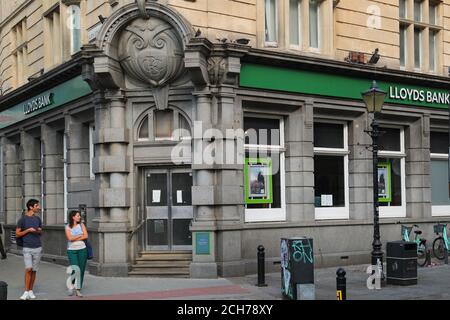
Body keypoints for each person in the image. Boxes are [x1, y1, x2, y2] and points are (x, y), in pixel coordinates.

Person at [15, 199, 43, 300]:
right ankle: (26, 291)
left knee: (34, 270)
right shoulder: (22, 220)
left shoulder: (38, 219)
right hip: (27, 247)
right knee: (28, 269)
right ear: (31, 207)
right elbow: (17, 233)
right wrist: (27, 230)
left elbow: (40, 232)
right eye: (37, 206)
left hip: (38, 247)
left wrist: (39, 231)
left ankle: (31, 290)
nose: (38, 207)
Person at [65, 210, 88, 297]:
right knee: (75, 268)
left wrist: (75, 237)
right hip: (72, 250)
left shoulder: (81, 225)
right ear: (73, 217)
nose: (79, 217)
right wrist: (79, 236)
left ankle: (78, 289)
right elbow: (70, 238)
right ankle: (71, 285)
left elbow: (86, 236)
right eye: (78, 216)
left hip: (82, 249)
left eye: (79, 216)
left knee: (81, 270)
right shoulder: (67, 227)